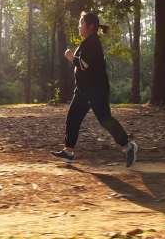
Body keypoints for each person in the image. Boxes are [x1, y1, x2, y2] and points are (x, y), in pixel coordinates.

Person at [52, 11, 139, 167]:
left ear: (91, 26)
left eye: (81, 23)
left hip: (96, 91)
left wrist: (71, 57)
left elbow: (85, 65)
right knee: (73, 118)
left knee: (105, 120)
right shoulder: (87, 42)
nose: (79, 26)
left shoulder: (93, 42)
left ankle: (128, 146)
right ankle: (69, 151)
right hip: (84, 91)